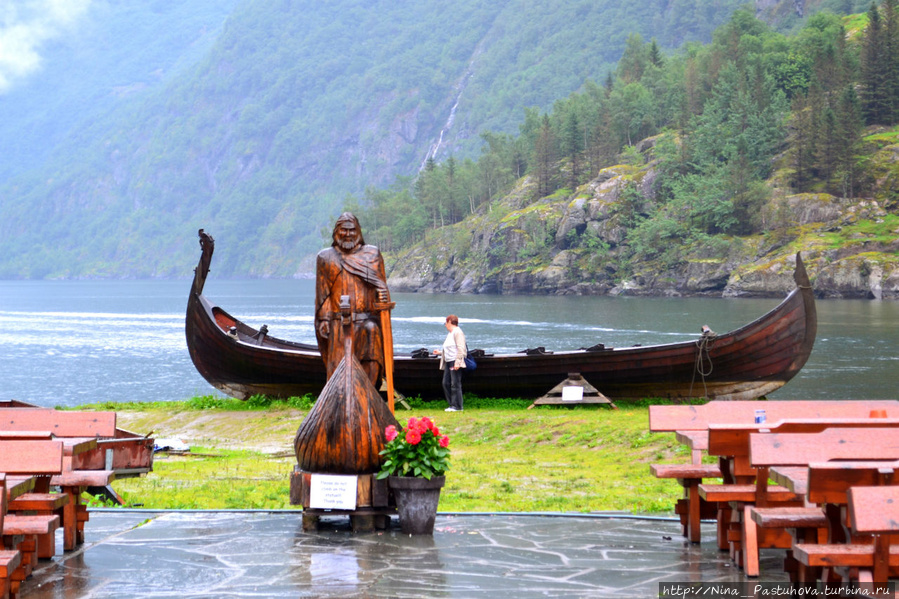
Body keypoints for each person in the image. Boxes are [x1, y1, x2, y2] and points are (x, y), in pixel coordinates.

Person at [314, 212, 391, 388]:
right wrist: (324, 319)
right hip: (338, 322)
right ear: (336, 232)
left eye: (352, 230)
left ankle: (367, 395)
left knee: (372, 352)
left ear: (358, 232)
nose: (348, 234)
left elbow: (380, 285)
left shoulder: (372, 254)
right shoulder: (325, 257)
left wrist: (383, 294)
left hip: (366, 319)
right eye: (344, 230)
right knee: (338, 368)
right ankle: (339, 402)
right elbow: (323, 293)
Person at [433, 314, 466, 412]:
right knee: (445, 383)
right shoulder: (450, 333)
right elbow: (449, 348)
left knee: (455, 384)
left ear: (450, 322)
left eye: (445, 323)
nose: (445, 325)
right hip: (448, 361)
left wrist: (458, 362)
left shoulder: (458, 332)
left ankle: (457, 406)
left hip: (454, 361)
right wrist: (439, 353)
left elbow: (461, 348)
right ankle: (452, 404)